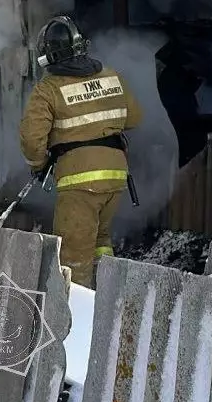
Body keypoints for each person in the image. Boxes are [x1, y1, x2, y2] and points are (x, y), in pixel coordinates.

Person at [19, 15, 142, 289]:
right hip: (115, 178)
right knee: (101, 242)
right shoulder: (111, 77)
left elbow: (31, 139)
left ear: (49, 56)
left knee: (72, 258)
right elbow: (133, 117)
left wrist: (39, 164)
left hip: (79, 182)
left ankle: (77, 313)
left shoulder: (48, 90)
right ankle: (105, 298)